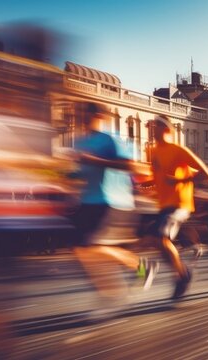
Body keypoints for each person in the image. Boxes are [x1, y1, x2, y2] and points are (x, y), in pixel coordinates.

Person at [71, 102, 155, 309]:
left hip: (112, 201)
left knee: (93, 247)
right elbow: (81, 172)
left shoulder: (110, 139)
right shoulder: (79, 142)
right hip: (87, 201)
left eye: (87, 114)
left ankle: (120, 287)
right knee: (83, 250)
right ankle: (131, 276)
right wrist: (68, 174)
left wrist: (95, 160)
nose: (82, 117)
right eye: (79, 113)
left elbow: (129, 166)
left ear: (99, 116)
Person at [147, 115, 208, 299]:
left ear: (166, 129)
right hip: (163, 205)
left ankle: (182, 276)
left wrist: (179, 180)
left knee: (160, 237)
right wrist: (145, 185)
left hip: (180, 205)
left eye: (156, 126)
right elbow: (158, 177)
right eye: (151, 126)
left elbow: (207, 174)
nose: (152, 129)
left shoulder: (178, 150)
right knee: (154, 241)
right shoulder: (153, 152)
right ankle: (181, 273)